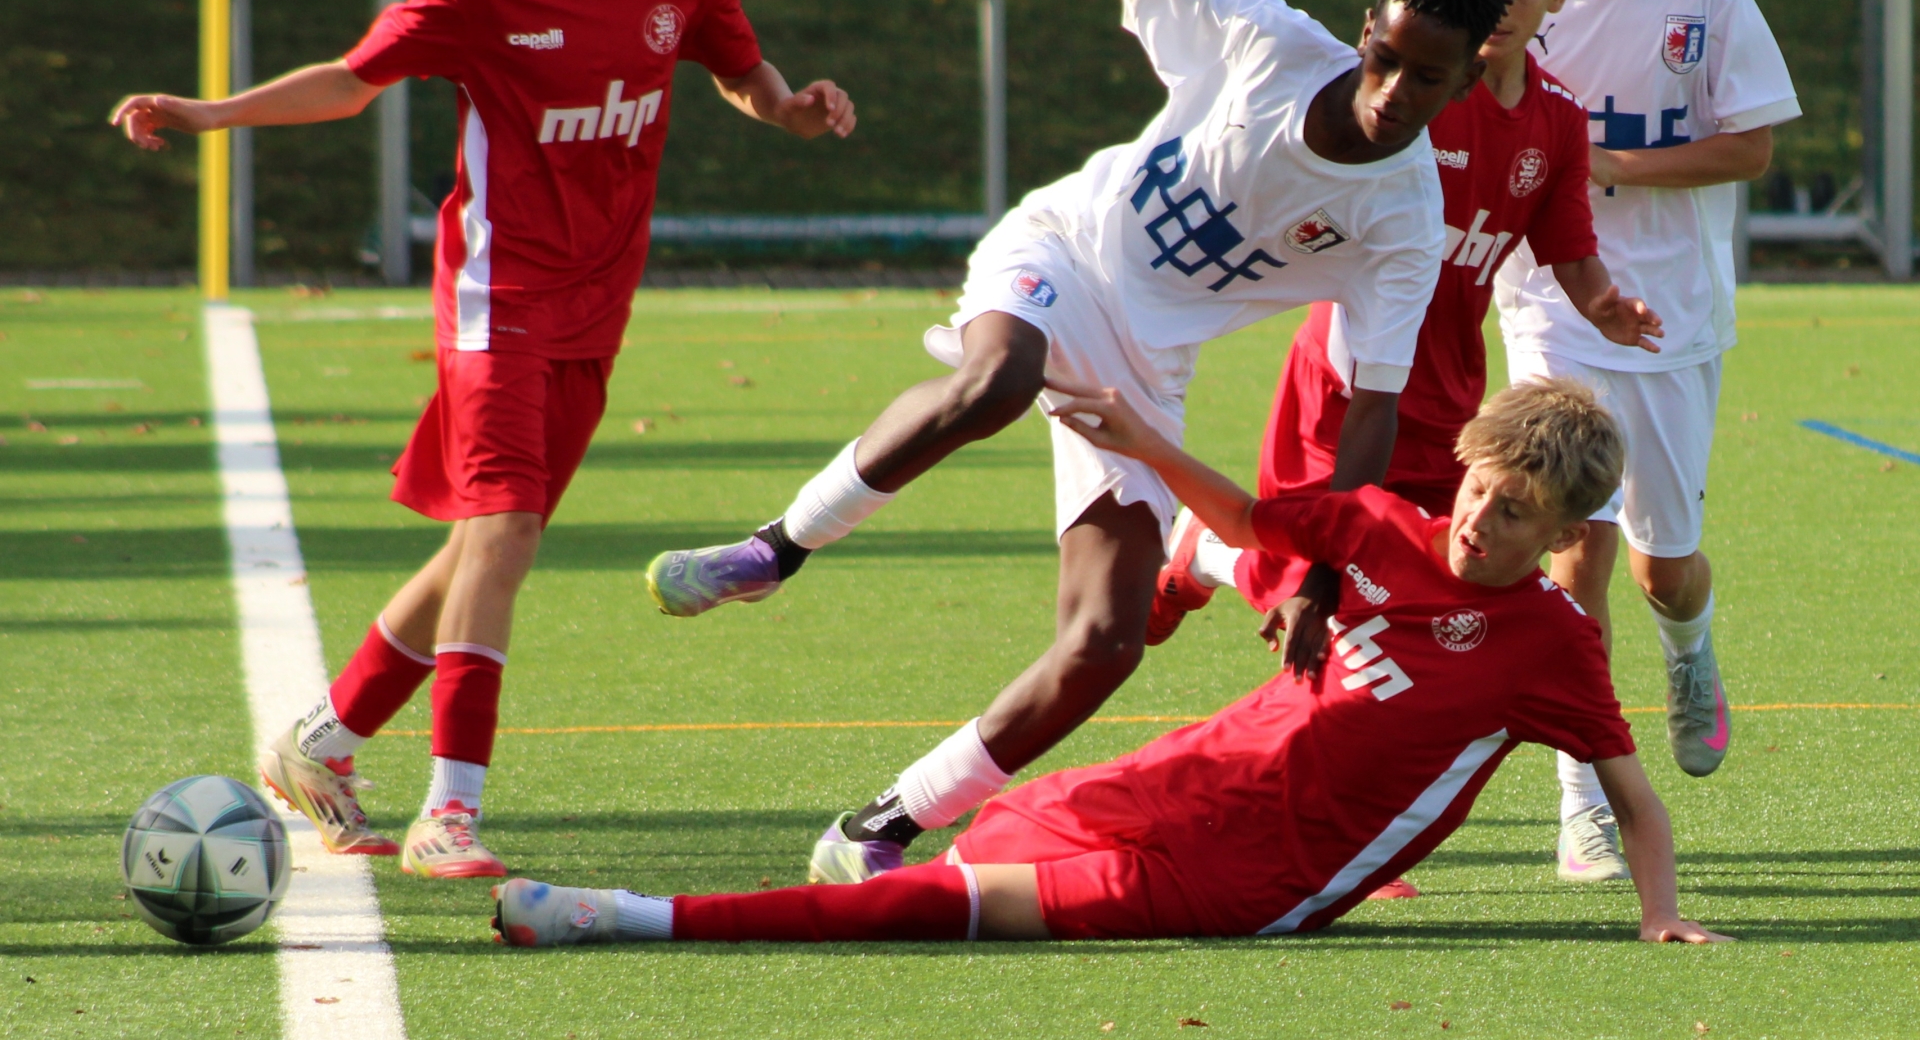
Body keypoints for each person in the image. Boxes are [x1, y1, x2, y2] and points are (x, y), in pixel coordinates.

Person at [642, 0, 1508, 886]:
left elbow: (1372, 411)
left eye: (1427, 78)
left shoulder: (1405, 220)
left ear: (1467, 79)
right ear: (1363, 32)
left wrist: (1322, 579)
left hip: (1142, 366)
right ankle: (776, 549)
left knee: (1105, 641)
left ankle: (879, 826)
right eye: (1385, 58)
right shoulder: (1261, 42)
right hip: (1059, 251)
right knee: (995, 382)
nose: (1394, 90)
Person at [110, 0, 857, 878]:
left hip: (599, 302)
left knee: (483, 541)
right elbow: (352, 81)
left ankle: (321, 742)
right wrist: (209, 113)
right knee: (502, 530)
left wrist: (792, 110)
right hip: (494, 294)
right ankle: (448, 812)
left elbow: (741, 71)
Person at [489, 379, 1728, 947]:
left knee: (954, 907)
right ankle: (858, 847)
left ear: (1563, 537)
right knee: (977, 848)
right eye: (1478, 491)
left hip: (1252, 877)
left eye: (1515, 514)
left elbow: (1632, 796)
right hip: (1181, 779)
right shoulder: (1381, 525)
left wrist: (1659, 912)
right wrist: (1144, 438)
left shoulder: (1551, 644)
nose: (1479, 522)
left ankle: (632, 918)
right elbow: (1247, 518)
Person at [1146, 0, 1664, 892]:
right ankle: (1205, 562)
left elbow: (1565, 244)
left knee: (1409, 611)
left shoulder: (1556, 122)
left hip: (1449, 409)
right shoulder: (1425, 99)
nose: (1500, 8)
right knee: (1329, 593)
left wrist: (1604, 301)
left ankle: (1214, 565)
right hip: (1348, 390)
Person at [1493, 0, 1799, 878]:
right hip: (1548, 299)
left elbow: (1751, 145)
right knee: (1569, 542)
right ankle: (1582, 800)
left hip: (1670, 315)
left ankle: (1688, 644)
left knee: (1662, 565)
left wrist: (1605, 162)